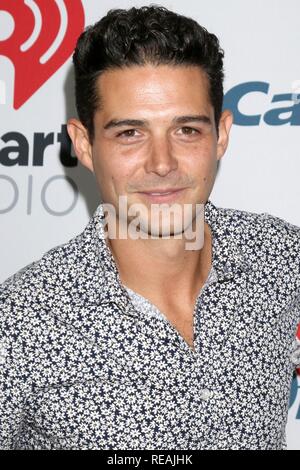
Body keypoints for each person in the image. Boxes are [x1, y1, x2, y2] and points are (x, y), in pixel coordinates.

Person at [0, 5, 299, 450]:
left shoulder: (281, 257)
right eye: (130, 133)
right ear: (84, 144)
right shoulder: (20, 322)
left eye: (186, 130)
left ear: (221, 134)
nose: (162, 164)